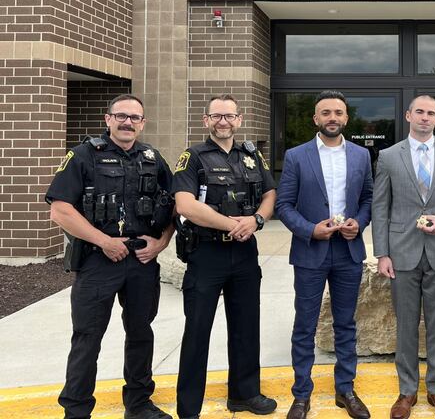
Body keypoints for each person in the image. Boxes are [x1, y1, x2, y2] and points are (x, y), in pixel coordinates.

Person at [46, 94, 175, 419]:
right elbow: (60, 211)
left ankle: (138, 404)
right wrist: (104, 241)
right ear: (108, 119)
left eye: (135, 117)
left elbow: (177, 204)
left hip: (142, 262)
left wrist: (160, 243)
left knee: (141, 333)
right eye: (121, 116)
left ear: (142, 123)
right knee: (87, 338)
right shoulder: (83, 155)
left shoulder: (152, 157)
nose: (127, 122)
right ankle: (76, 411)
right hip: (98, 262)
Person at [172, 94, 277, 419]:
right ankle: (189, 408)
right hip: (207, 254)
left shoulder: (252, 155)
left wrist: (256, 220)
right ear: (206, 120)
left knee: (247, 327)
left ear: (239, 119)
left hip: (245, 254)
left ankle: (244, 395)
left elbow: (270, 193)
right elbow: (186, 205)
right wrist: (233, 225)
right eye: (217, 116)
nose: (223, 121)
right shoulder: (192, 157)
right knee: (197, 330)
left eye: (229, 116)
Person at [372, 95, 435, 419]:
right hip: (401, 255)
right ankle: (406, 392)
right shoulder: (388, 156)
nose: (425, 117)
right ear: (408, 115)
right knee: (405, 326)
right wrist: (382, 253)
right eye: (420, 111)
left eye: (431, 113)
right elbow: (380, 207)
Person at [275, 91, 373, 419]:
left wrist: (358, 223)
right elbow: (284, 205)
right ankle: (301, 393)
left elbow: (368, 199)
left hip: (348, 251)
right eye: (326, 112)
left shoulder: (361, 155)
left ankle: (345, 389)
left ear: (346, 118)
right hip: (310, 251)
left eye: (339, 112)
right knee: (305, 324)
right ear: (315, 119)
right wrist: (310, 230)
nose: (333, 117)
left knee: (346, 323)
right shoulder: (296, 156)